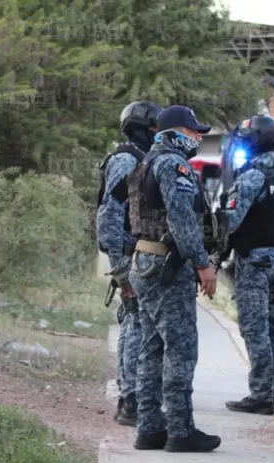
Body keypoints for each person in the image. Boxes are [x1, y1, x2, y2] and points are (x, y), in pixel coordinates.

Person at [127, 105, 220, 453]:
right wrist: (202, 264)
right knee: (181, 349)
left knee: (152, 349)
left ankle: (150, 427)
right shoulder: (173, 164)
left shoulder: (146, 162)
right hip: (167, 264)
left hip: (145, 260)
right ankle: (181, 430)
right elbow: (181, 219)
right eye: (194, 131)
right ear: (174, 132)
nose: (198, 138)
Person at [220, 115, 274, 416]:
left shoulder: (252, 175)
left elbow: (231, 221)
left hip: (256, 261)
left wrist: (214, 250)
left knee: (255, 329)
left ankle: (261, 395)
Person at [97, 100, 161, 426]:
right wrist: (120, 267)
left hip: (142, 255)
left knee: (139, 325)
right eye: (154, 127)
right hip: (129, 255)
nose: (158, 133)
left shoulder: (145, 158)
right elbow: (109, 212)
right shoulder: (126, 159)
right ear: (140, 128)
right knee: (135, 326)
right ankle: (130, 400)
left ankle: (135, 398)